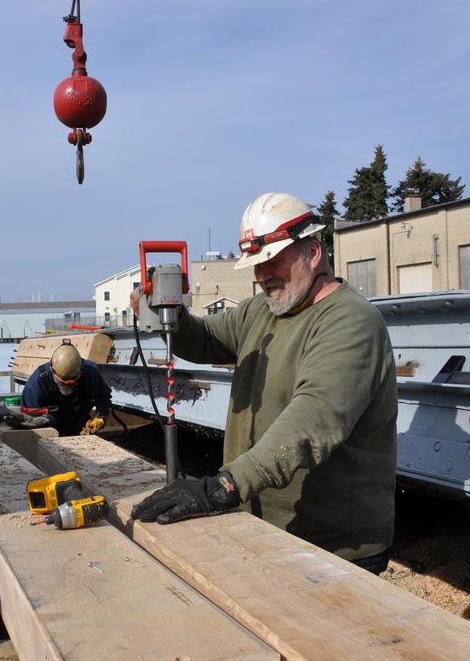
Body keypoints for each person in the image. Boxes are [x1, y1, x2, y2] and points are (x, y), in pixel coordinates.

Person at [129, 192, 398, 574]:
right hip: (264, 529)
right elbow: (205, 339)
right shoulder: (263, 310)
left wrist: (222, 487)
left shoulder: (350, 321)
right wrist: (168, 312)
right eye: (256, 265)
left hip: (333, 549)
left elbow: (312, 420)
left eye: (272, 260)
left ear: (313, 252)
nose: (262, 275)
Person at [20, 339, 113, 436]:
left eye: (73, 381)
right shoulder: (37, 384)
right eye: (63, 382)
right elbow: (30, 417)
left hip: (81, 427)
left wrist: (101, 416)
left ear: (80, 372)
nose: (68, 384)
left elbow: (103, 396)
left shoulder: (90, 372)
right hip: (49, 430)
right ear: (53, 372)